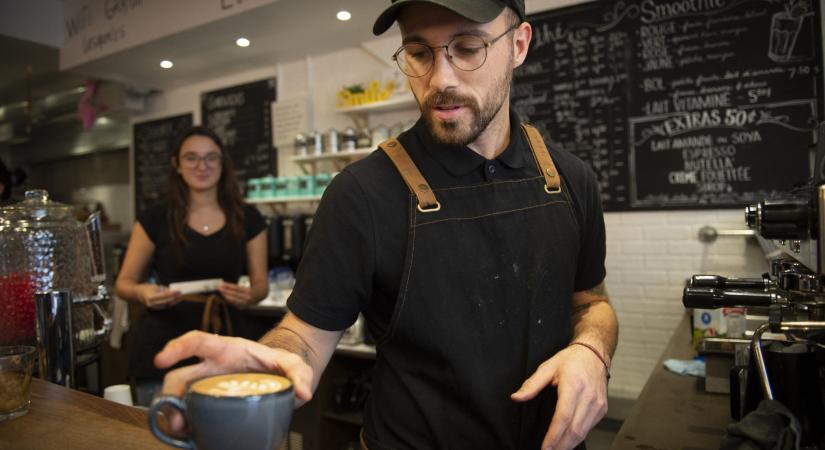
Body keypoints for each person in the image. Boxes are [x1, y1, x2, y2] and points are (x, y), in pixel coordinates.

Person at [156, 1, 619, 448]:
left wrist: (592, 351)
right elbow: (303, 337)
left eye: (468, 48)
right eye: (418, 53)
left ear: (518, 45)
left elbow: (591, 305)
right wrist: (265, 372)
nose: (441, 78)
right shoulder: (361, 193)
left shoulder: (571, 179)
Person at [115, 126, 269, 406]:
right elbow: (124, 283)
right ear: (176, 164)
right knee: (160, 436)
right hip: (164, 342)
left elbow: (261, 286)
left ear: (223, 163)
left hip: (225, 340)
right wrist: (143, 293)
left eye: (211, 157)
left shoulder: (248, 217)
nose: (202, 166)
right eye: (192, 158)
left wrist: (250, 295)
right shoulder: (155, 217)